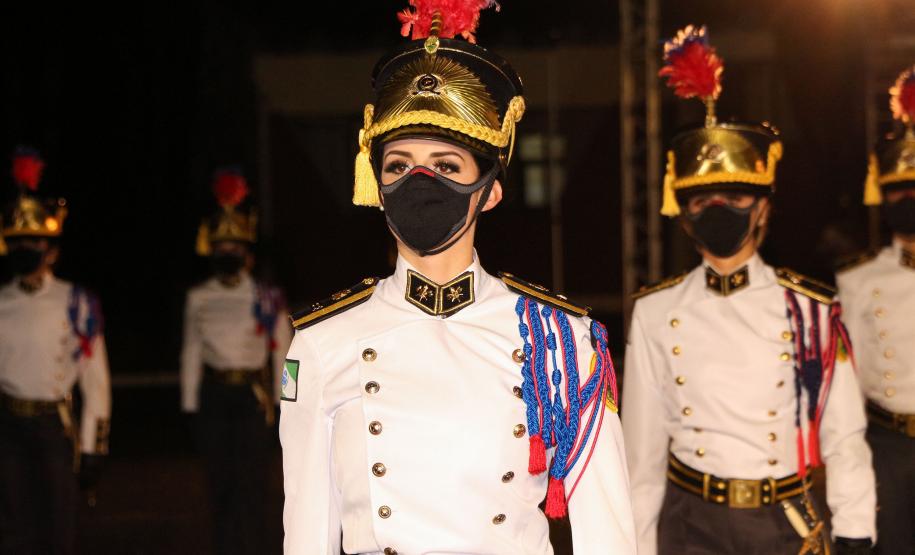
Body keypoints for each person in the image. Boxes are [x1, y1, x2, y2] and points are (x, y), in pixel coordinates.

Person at [279, 2, 636, 553]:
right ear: (375, 185)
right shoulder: (323, 343)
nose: (420, 181)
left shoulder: (559, 340)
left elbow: (607, 534)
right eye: (399, 166)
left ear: (489, 190)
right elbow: (306, 534)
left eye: (446, 166)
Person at [621, 25, 876, 555]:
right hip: (689, 523)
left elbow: (845, 436)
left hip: (783, 523)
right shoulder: (654, 311)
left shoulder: (810, 309)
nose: (717, 211)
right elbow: (642, 458)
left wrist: (855, 530)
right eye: (699, 200)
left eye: (735, 196)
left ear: (763, 206)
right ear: (682, 214)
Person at [0, 147, 111, 555]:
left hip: (54, 430)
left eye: (33, 241)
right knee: (13, 532)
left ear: (51, 248)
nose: (25, 248)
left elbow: (95, 380)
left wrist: (92, 445)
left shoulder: (76, 301)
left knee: (57, 531)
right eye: (17, 241)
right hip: (7, 428)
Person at [180, 168, 291, 555]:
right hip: (214, 397)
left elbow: (283, 354)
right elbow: (191, 351)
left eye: (234, 249)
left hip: (252, 397)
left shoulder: (266, 296)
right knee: (220, 484)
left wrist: (285, 407)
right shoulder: (199, 296)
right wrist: (190, 406)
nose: (228, 255)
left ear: (247, 253)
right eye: (221, 249)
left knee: (253, 485)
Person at [836, 65, 915, 555]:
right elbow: (849, 377)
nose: (906, 200)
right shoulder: (857, 279)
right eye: (897, 191)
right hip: (887, 445)